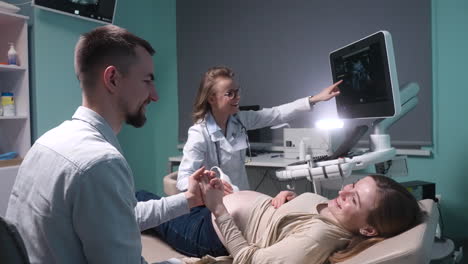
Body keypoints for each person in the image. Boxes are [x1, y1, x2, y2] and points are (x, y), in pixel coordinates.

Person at [5, 25, 214, 264]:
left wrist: (189, 199)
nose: (154, 95)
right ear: (113, 79)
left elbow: (118, 218)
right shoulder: (100, 162)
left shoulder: (46, 141)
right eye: (147, 81)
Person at [139, 174, 426, 264]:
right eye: (353, 184)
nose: (344, 190)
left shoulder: (317, 240)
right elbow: (280, 224)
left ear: (368, 228)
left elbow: (250, 260)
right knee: (143, 198)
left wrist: (219, 209)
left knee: (138, 200)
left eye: (354, 199)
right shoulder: (333, 214)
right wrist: (284, 199)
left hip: (206, 231)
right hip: (212, 211)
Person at [177, 66, 342, 192]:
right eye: (230, 93)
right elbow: (183, 180)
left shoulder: (240, 120)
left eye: (237, 91)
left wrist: (316, 99)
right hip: (217, 206)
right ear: (212, 98)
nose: (237, 97)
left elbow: (276, 114)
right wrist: (209, 185)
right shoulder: (199, 133)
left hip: (243, 197)